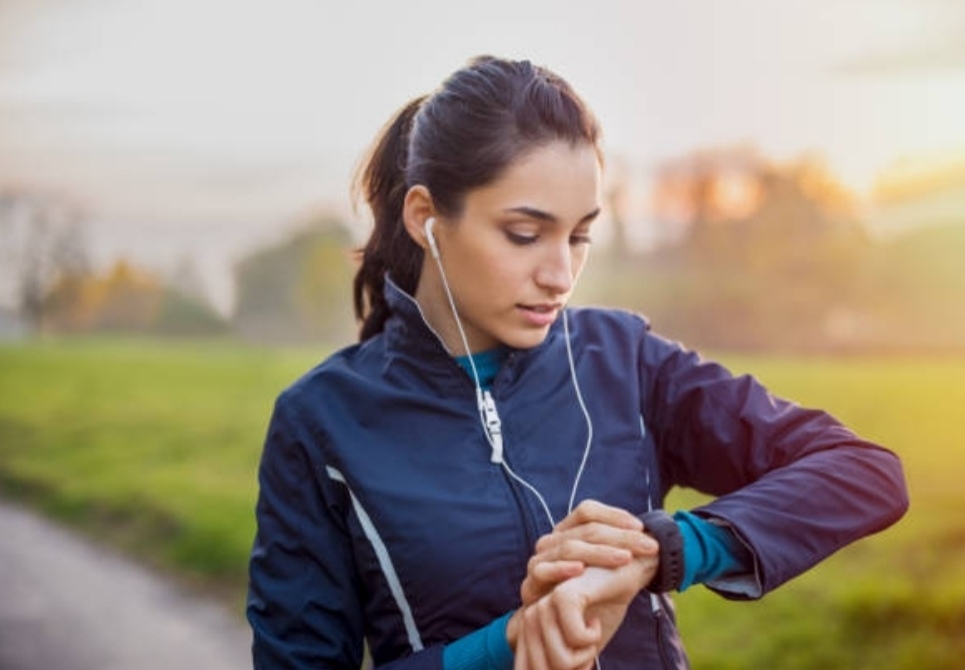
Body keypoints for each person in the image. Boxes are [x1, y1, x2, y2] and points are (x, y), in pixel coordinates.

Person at [246, 55, 908, 670]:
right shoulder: (320, 424)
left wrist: (663, 549)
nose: (560, 274)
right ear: (425, 217)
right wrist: (503, 645)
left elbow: (862, 473)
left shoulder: (626, 361)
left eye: (580, 234)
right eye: (525, 234)